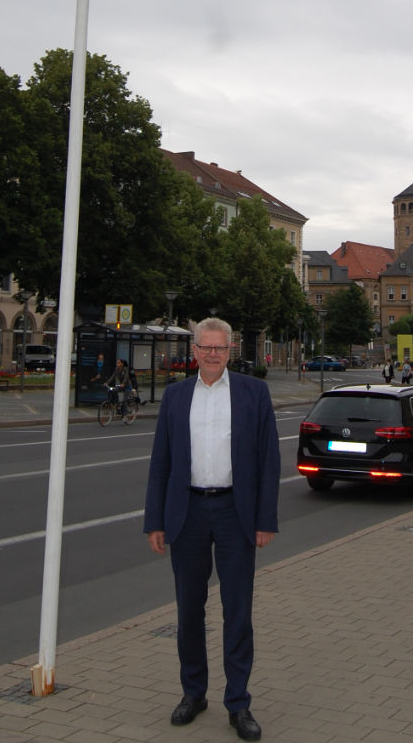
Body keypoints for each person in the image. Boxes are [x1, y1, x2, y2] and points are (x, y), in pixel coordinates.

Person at [144, 317, 280, 741]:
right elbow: (160, 463)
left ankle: (238, 703)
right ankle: (193, 692)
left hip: (234, 513)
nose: (213, 355)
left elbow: (269, 461)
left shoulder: (253, 393)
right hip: (187, 514)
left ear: (231, 349)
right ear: (195, 351)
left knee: (238, 611)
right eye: (206, 348)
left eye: (220, 348)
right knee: (189, 611)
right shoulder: (175, 396)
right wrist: (155, 521)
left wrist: (264, 520)